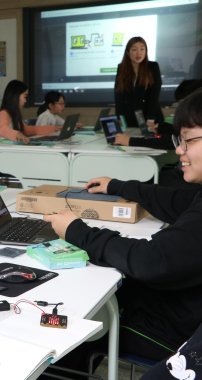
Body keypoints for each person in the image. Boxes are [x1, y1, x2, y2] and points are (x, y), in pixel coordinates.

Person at [43, 88, 202, 371]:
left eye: (187, 140)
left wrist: (77, 231)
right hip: (178, 309)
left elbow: (149, 260)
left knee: (81, 323)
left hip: (178, 332)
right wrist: (118, 186)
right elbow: (177, 201)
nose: (179, 150)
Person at [114, 36, 164, 128]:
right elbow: (118, 96)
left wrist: (151, 118)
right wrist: (119, 118)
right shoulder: (121, 68)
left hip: (150, 117)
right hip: (130, 118)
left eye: (142, 49)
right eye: (134, 50)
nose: (139, 53)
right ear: (128, 52)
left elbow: (154, 95)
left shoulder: (153, 67)